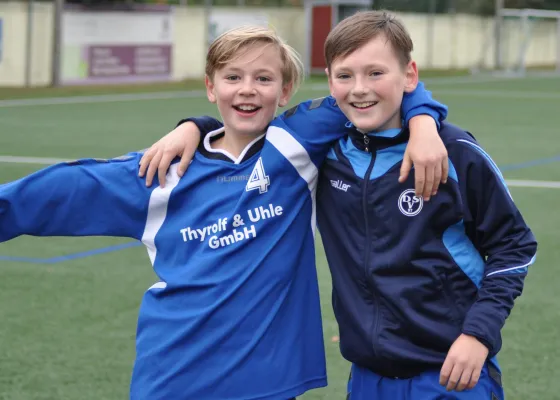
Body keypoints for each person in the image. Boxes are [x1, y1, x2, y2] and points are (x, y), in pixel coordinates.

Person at [0, 26, 449, 400]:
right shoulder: (163, 171)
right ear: (211, 87)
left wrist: (424, 122)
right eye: (232, 77)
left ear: (286, 90)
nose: (248, 89)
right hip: (173, 377)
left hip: (268, 381)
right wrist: (194, 126)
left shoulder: (297, 143)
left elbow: (379, 88)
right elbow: (51, 194)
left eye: (264, 78)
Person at [139, 11, 538, 400]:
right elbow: (254, 128)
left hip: (450, 373)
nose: (360, 88)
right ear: (329, 81)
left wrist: (477, 334)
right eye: (345, 76)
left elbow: (513, 247)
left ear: (410, 76)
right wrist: (195, 126)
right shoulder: (323, 152)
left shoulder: (453, 154)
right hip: (367, 376)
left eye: (376, 73)